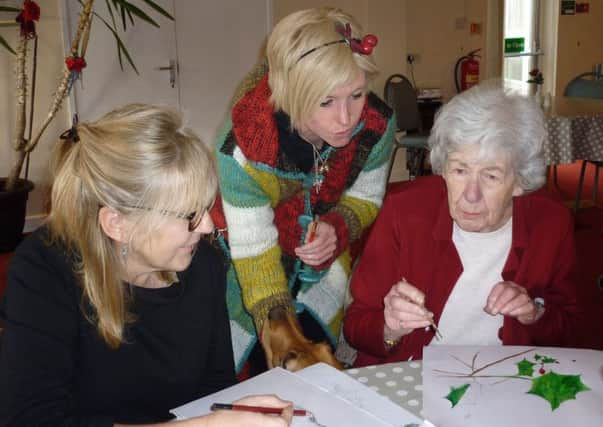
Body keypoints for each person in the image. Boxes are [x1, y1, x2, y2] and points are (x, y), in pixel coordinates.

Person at [0, 104, 293, 426]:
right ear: (117, 224)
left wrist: (230, 413)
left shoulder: (201, 263)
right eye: (189, 215)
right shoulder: (43, 270)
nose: (208, 227)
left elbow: (214, 385)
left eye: (206, 207)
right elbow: (31, 420)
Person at [210, 6, 395, 374]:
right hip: (248, 263)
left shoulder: (376, 126)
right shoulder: (244, 146)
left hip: (323, 268)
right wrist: (279, 333)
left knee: (324, 359)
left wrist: (338, 227)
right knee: (259, 370)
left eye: (356, 95)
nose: (346, 119)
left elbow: (366, 198)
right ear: (291, 93)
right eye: (325, 101)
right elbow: (254, 251)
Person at [343, 84, 581, 366]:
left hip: (504, 381)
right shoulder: (403, 212)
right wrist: (390, 326)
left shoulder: (551, 224)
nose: (470, 195)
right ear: (443, 168)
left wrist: (534, 313)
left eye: (490, 176)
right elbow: (356, 327)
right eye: (459, 171)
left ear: (520, 181)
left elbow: (567, 331)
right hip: (408, 377)